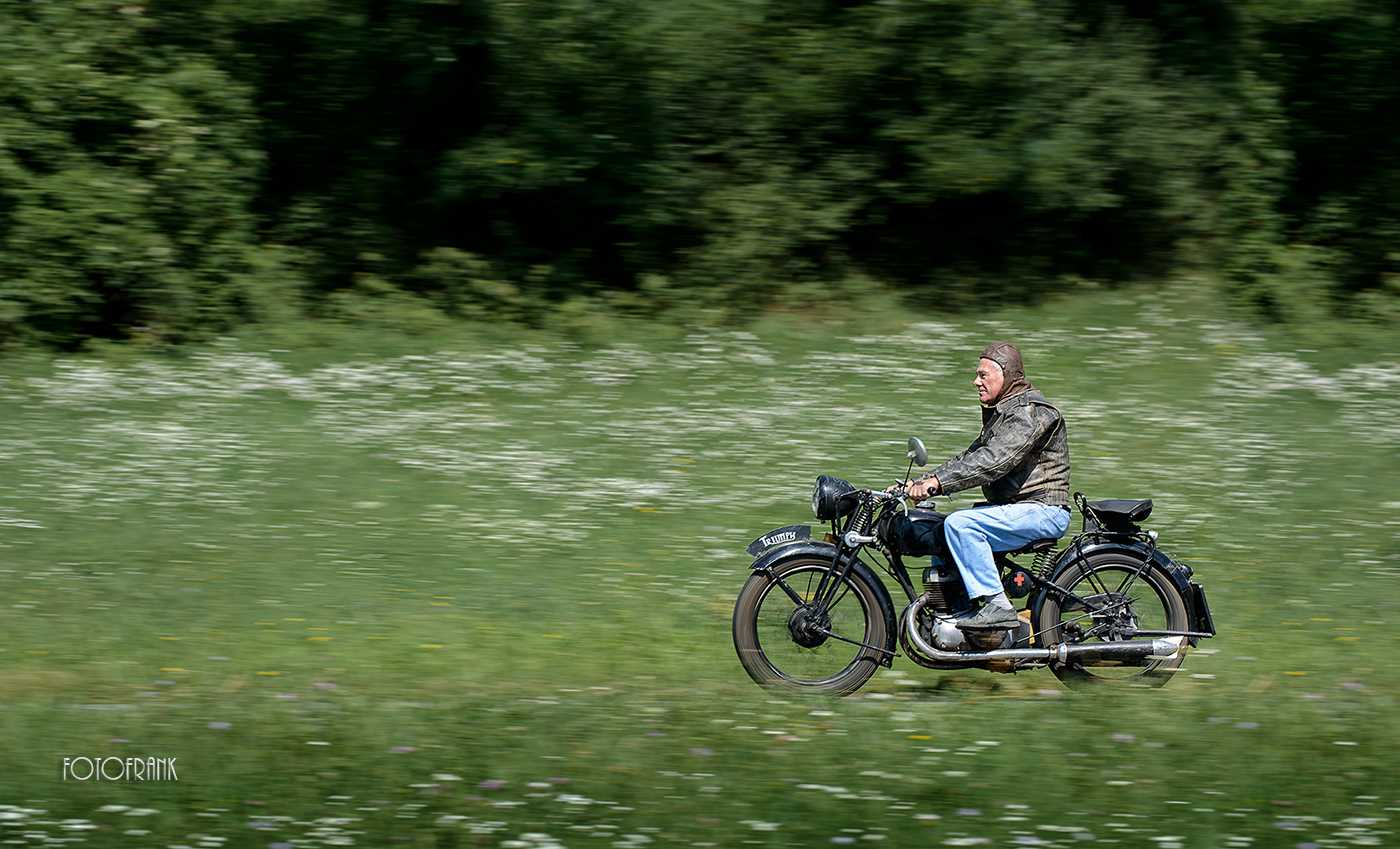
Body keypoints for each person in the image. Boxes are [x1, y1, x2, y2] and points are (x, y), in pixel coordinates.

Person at [902, 342, 1071, 630]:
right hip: (1017, 508)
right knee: (939, 527)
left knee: (961, 525)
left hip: (1042, 509)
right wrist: (919, 482)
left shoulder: (1029, 412)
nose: (975, 382)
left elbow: (993, 462)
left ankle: (997, 606)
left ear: (1006, 375)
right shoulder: (1003, 413)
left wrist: (938, 484)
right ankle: (955, 614)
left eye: (983, 375)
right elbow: (970, 457)